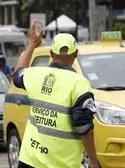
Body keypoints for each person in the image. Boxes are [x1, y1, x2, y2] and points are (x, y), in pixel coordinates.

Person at [13, 20, 100, 168]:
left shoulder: (35, 74)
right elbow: (85, 129)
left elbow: (17, 74)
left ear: (51, 53)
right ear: (76, 54)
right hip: (62, 164)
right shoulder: (79, 83)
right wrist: (94, 161)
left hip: (29, 160)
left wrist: (32, 44)